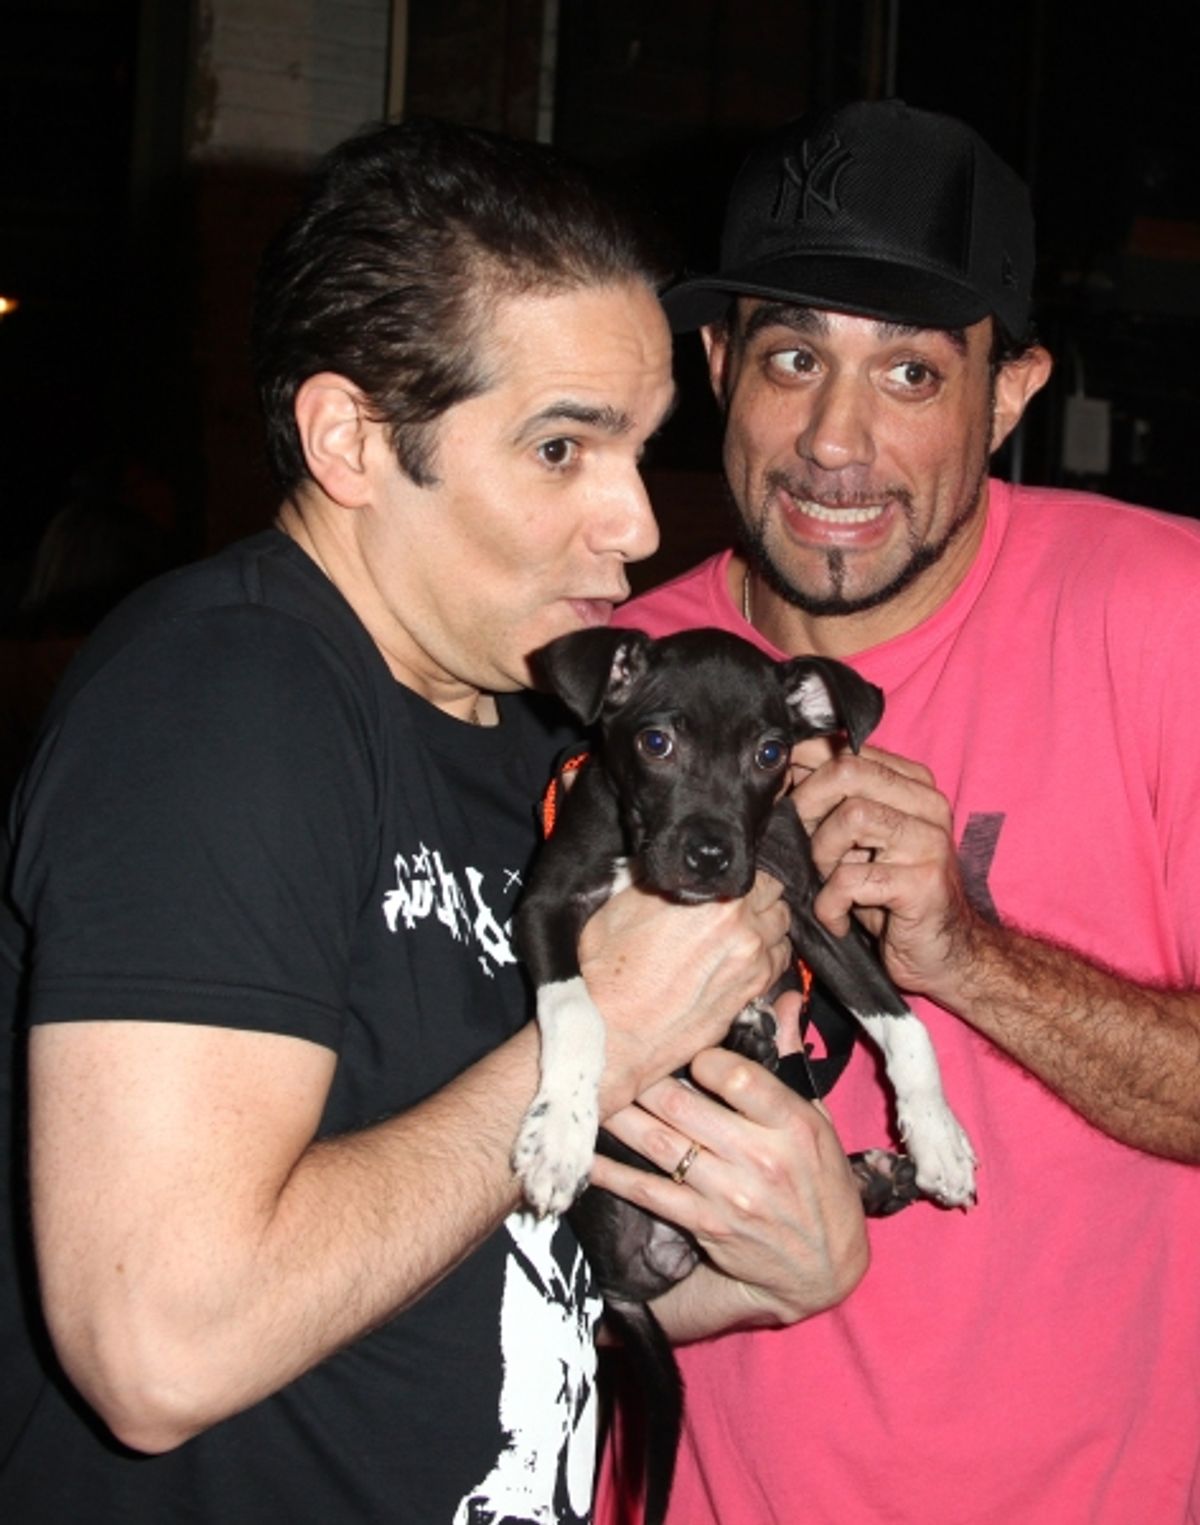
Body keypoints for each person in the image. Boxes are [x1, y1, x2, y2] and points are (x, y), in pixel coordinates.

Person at [0, 118, 869, 1522]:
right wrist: (605, 1041)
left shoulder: (530, 732)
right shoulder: (226, 702)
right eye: (561, 446)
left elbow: (445, 1278)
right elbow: (159, 1340)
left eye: (640, 447)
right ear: (351, 437)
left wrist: (759, 1264)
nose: (638, 521)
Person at [594, 99, 1200, 1524]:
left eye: (913, 376)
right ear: (720, 364)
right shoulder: (611, 685)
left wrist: (968, 957)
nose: (834, 442)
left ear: (1010, 393)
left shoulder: (1165, 619)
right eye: (794, 356)